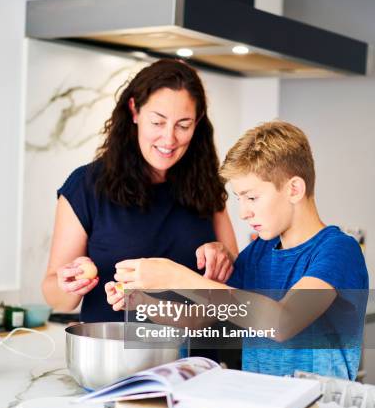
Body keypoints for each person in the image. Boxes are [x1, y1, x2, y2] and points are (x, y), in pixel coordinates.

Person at [107, 121, 368, 379]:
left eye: (252, 197)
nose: (243, 213)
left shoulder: (338, 250)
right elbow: (201, 320)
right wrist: (141, 302)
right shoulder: (258, 252)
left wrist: (177, 277)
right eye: (239, 199)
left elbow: (282, 322)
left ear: (294, 189)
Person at [42, 59, 238, 322]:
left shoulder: (205, 184)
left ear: (198, 122)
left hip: (196, 357)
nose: (169, 139)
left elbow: (238, 287)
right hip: (117, 355)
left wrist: (224, 258)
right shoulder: (86, 186)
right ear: (134, 111)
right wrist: (70, 283)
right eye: (158, 122)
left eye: (183, 125)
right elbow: (56, 297)